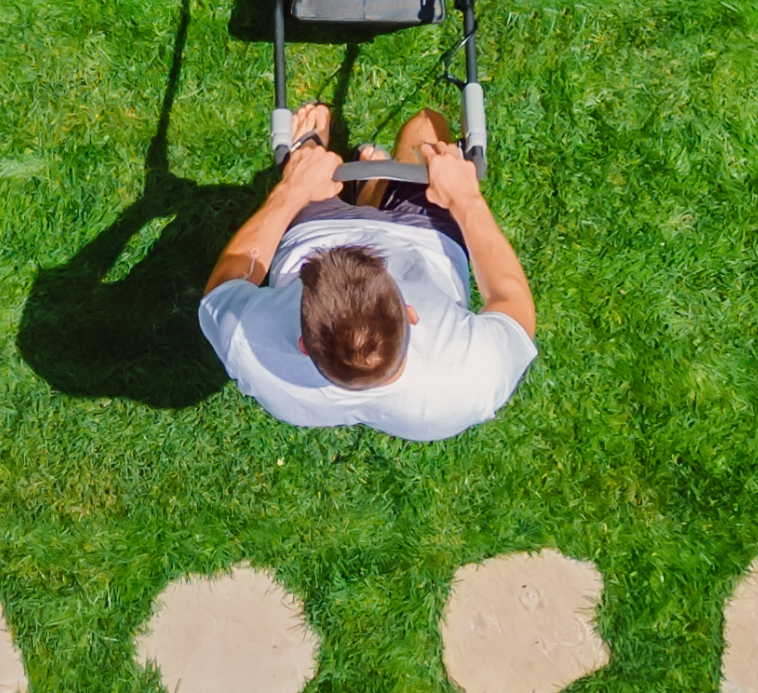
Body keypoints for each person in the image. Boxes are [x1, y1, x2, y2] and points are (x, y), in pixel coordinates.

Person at [197, 101, 536, 441]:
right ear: (410, 314)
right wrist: (465, 198)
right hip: (427, 243)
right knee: (425, 126)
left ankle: (329, 160)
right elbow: (511, 299)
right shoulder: (472, 382)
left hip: (316, 234)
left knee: (308, 150)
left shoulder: (250, 347)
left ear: (302, 344)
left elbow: (226, 282)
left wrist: (291, 190)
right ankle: (371, 183)